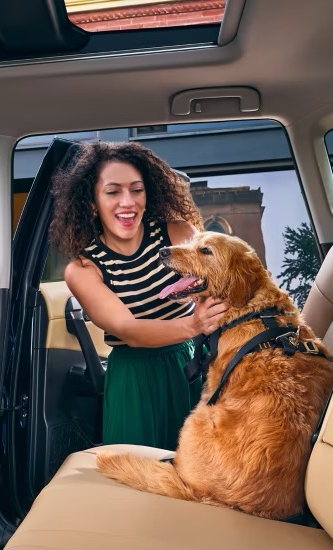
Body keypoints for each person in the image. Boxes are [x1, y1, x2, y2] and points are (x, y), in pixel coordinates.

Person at [49, 141, 229, 450]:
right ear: (92, 201)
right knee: (136, 476)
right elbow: (129, 331)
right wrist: (193, 325)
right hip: (132, 378)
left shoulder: (178, 234)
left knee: (197, 471)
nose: (127, 202)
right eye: (113, 191)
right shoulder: (83, 268)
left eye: (136, 190)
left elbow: (220, 286)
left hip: (187, 364)